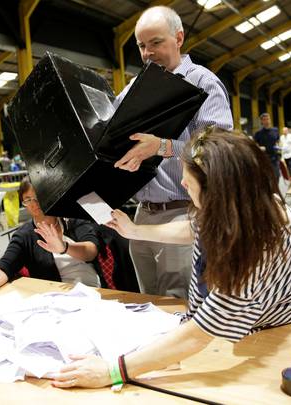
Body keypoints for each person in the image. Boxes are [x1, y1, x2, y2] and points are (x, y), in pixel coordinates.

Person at [49, 127, 291, 389]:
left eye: (188, 180)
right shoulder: (241, 202)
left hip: (290, 319)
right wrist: (136, 230)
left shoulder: (257, 247)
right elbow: (195, 228)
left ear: (217, 193)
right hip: (248, 314)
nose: (182, 182)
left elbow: (202, 332)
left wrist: (112, 371)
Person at [111, 6, 233, 298]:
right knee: (146, 300)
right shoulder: (134, 90)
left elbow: (218, 151)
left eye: (156, 42)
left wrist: (163, 146)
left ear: (178, 38)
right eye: (142, 46)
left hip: (183, 213)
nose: (147, 53)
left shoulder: (203, 83)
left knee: (178, 304)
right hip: (141, 215)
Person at [0, 177, 102, 308]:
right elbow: (5, 265)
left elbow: (91, 251)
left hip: (93, 291)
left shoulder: (72, 219)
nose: (34, 204)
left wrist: (64, 247)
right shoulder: (25, 235)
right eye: (28, 200)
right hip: (58, 299)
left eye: (38, 197)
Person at [254, 112, 281, 179]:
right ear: (262, 122)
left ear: (270, 120)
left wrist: (279, 147)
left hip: (275, 159)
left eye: (268, 119)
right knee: (266, 179)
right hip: (264, 160)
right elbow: (254, 146)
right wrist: (259, 148)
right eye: (264, 119)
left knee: (276, 177)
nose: (267, 121)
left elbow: (278, 141)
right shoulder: (258, 133)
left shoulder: (275, 130)